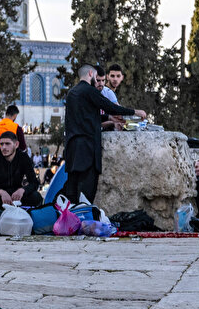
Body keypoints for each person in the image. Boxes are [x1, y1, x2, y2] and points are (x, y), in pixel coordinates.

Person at [61, 64, 146, 204]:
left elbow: (85, 118)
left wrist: (108, 118)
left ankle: (70, 222)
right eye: (96, 77)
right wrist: (135, 112)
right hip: (87, 150)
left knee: (72, 192)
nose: (98, 81)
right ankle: (83, 221)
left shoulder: (72, 93)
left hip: (72, 150)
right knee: (86, 195)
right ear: (90, 74)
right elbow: (110, 106)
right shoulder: (90, 90)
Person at [0, 132, 42, 209]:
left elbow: (34, 182)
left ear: (16, 144)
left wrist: (22, 190)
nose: (4, 147)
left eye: (7, 144)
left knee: (36, 197)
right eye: (1, 144)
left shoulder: (23, 157)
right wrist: (2, 193)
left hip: (17, 196)